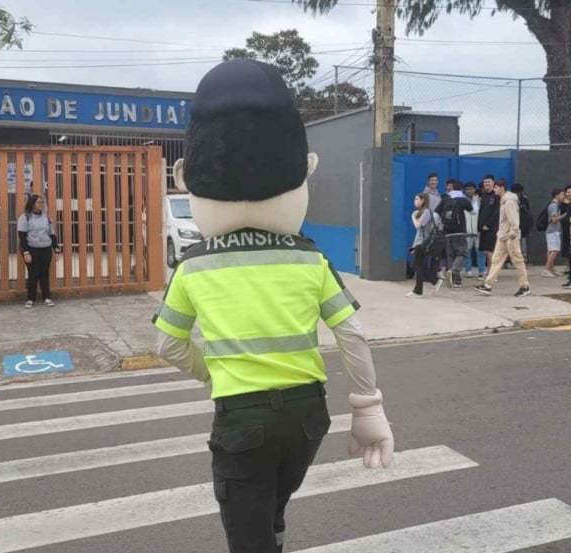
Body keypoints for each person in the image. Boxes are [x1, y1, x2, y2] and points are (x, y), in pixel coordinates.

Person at [154, 59, 394, 553]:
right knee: (274, 504)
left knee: (248, 535)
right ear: (305, 170)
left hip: (242, 419)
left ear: (185, 178)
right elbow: (352, 334)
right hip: (308, 417)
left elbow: (168, 347)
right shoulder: (308, 258)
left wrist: (212, 370)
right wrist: (368, 406)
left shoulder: (194, 267)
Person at [474, 180, 530, 297]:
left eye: (496, 187)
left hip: (510, 235)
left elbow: (514, 220)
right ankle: (488, 284)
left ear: (502, 188)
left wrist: (513, 233)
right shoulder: (503, 200)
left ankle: (524, 286)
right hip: (502, 235)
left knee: (517, 260)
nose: (494, 190)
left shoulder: (509, 201)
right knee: (496, 259)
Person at [17, 194, 61, 308]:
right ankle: (30, 299)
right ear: (32, 204)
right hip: (32, 249)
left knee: (44, 274)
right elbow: (22, 237)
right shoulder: (25, 217)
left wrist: (56, 249)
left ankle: (47, 298)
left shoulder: (46, 217)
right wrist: (26, 252)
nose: (41, 204)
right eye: (39, 202)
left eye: (42, 202)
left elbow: (52, 234)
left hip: (45, 249)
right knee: (33, 274)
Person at [437, 179, 473, 287]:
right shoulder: (462, 199)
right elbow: (472, 211)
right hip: (459, 231)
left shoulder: (445, 199)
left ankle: (455, 281)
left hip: (447, 232)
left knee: (451, 256)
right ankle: (454, 271)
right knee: (462, 253)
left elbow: (436, 213)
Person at [407, 192, 441, 297]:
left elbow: (418, 225)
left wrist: (413, 216)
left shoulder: (426, 211)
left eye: (417, 199)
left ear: (423, 200)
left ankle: (419, 290)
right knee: (418, 266)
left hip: (423, 243)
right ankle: (434, 280)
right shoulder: (422, 212)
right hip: (419, 242)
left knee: (418, 266)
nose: (415, 201)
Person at [477, 175, 500, 275]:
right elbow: (481, 212)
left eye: (488, 182)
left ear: (493, 182)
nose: (486, 184)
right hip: (483, 228)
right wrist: (479, 226)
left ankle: (491, 273)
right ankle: (490, 272)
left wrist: (488, 224)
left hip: (492, 228)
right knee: (486, 251)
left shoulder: (496, 195)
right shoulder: (484, 195)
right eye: (485, 182)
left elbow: (496, 213)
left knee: (491, 251)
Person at [463, 181, 485, 277]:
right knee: (467, 251)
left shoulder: (479, 200)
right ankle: (468, 270)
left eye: (471, 188)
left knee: (480, 251)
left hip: (478, 230)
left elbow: (483, 214)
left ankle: (482, 270)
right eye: (468, 189)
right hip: (466, 230)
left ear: (475, 189)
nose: (470, 191)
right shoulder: (463, 201)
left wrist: (481, 228)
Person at [543, 187, 566, 278]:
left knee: (550, 250)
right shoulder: (554, 206)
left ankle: (550, 269)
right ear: (557, 195)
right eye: (562, 194)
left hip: (552, 231)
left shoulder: (554, 205)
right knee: (555, 250)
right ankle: (547, 269)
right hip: (553, 231)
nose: (563, 196)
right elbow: (554, 219)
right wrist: (565, 215)